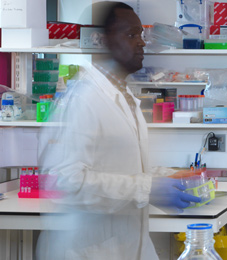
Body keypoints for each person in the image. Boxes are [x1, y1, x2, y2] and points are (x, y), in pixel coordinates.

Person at [36, 2, 201, 259]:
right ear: (102, 40)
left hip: (125, 244)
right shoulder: (83, 98)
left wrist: (169, 177)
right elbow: (64, 181)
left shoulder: (123, 95)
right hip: (86, 250)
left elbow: (125, 171)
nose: (142, 43)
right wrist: (148, 188)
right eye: (132, 35)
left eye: (141, 35)